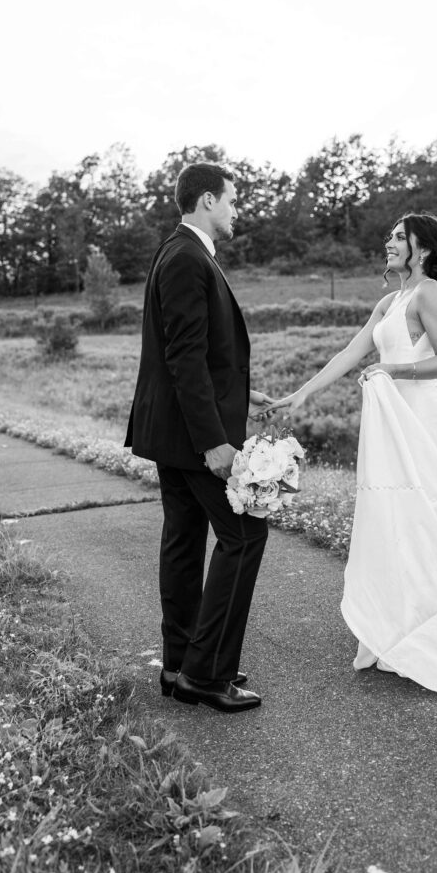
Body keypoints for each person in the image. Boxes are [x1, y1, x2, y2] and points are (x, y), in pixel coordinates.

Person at [271, 213, 437, 698]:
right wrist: (301, 394)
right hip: (394, 419)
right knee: (396, 521)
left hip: (422, 421)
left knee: (423, 520)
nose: (389, 242)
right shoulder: (389, 301)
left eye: (399, 237)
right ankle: (398, 626)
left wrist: (391, 369)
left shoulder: (428, 294)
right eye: (391, 235)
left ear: (424, 249)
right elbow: (349, 354)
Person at [125, 162, 273, 712]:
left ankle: (178, 664)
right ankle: (207, 675)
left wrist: (239, 396)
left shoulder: (177, 251)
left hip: (172, 429)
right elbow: (182, 355)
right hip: (193, 436)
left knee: (185, 540)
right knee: (244, 535)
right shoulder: (188, 257)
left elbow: (195, 355)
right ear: (208, 200)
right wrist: (214, 439)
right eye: (233, 200)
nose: (237, 210)